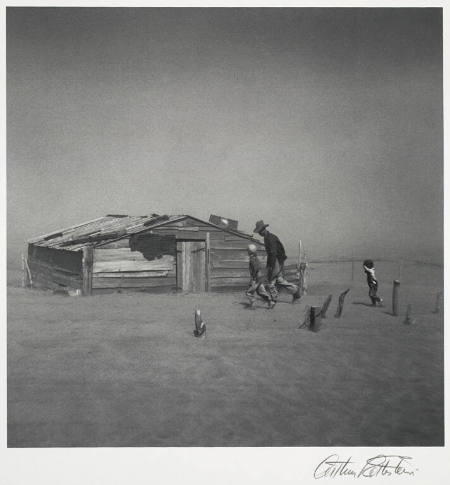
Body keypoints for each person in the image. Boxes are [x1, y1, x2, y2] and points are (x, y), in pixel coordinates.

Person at [253, 220, 301, 303]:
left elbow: (273, 253)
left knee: (271, 280)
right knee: (279, 280)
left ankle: (273, 300)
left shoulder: (270, 238)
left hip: (276, 260)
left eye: (260, 231)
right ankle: (295, 290)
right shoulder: (266, 237)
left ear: (264, 229)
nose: (259, 233)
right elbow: (270, 254)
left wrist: (271, 267)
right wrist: (269, 265)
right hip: (276, 260)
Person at [246, 244, 276, 309]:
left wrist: (253, 279)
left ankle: (253, 304)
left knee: (249, 292)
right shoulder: (256, 258)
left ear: (249, 251)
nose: (247, 252)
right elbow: (259, 268)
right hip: (260, 278)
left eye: (248, 251)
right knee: (261, 292)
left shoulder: (252, 259)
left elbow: (256, 269)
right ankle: (271, 302)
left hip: (256, 278)